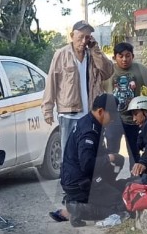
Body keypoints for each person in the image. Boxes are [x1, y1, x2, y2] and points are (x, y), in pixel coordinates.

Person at [48, 94, 126, 227]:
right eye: (111, 115)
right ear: (101, 111)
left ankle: (75, 203)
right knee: (119, 203)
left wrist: (112, 157)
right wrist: (108, 158)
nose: (113, 119)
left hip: (78, 179)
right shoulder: (89, 130)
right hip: (79, 182)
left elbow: (97, 153)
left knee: (118, 164)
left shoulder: (92, 122)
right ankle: (78, 210)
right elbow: (87, 164)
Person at [42, 20, 115, 154]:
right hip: (69, 114)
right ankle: (69, 176)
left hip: (90, 114)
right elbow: (51, 81)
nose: (83, 41)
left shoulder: (92, 55)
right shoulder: (61, 54)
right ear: (72, 35)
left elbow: (108, 71)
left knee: (91, 152)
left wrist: (95, 50)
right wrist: (48, 108)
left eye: (87, 37)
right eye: (80, 37)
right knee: (70, 154)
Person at [102, 42, 147, 164]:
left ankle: (135, 179)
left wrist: (145, 101)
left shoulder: (139, 68)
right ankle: (110, 178)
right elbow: (97, 84)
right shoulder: (109, 71)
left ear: (132, 56)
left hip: (133, 119)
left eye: (128, 56)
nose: (124, 59)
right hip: (113, 119)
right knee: (112, 152)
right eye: (121, 56)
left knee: (134, 151)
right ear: (114, 57)